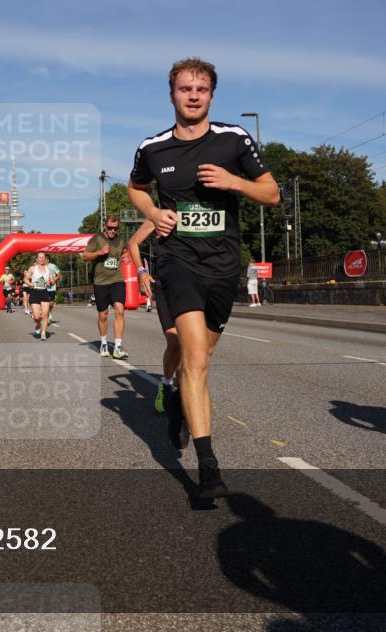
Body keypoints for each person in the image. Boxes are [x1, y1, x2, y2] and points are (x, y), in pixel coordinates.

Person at [127, 57, 279, 499]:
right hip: (177, 259)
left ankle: (174, 398)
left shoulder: (234, 139)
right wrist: (155, 213)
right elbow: (135, 187)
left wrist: (235, 183)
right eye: (184, 89)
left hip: (222, 263)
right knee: (195, 357)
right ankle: (208, 466)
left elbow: (271, 193)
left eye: (201, 89)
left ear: (212, 95)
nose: (193, 96)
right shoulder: (152, 148)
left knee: (206, 352)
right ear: (171, 94)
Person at [128, 221, 190, 448]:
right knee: (175, 342)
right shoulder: (160, 213)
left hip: (194, 284)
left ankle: (185, 400)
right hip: (165, 285)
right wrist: (142, 272)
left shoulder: (202, 206)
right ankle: (166, 384)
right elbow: (133, 243)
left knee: (190, 345)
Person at [83, 215, 129, 359]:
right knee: (103, 315)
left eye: (115, 228)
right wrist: (99, 252)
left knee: (120, 310)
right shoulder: (96, 239)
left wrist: (125, 256)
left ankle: (118, 347)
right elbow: (85, 256)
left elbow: (125, 250)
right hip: (101, 282)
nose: (112, 231)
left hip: (117, 279)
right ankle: (103, 343)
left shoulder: (120, 240)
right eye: (110, 228)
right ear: (105, 226)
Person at [24, 252, 58, 340]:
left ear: (45, 259)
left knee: (45, 315)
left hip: (44, 293)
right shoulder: (32, 268)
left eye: (43, 257)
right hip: (35, 293)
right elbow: (25, 279)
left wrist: (50, 282)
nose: (42, 259)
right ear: (37, 259)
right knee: (36, 316)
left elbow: (52, 281)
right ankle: (38, 324)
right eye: (40, 257)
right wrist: (30, 284)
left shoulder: (48, 269)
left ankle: (43, 333)